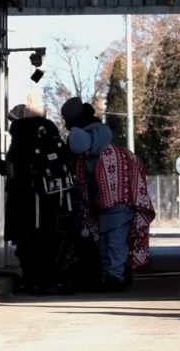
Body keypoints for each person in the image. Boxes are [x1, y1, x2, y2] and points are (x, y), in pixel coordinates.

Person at [0, 91, 76, 295]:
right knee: (50, 241)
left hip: (24, 203)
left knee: (27, 242)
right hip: (55, 201)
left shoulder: (21, 138)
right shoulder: (51, 133)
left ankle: (34, 280)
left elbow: (14, 169)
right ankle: (49, 280)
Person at [67, 122, 154, 292]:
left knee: (116, 243)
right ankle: (111, 275)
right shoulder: (90, 157)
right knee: (105, 243)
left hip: (120, 207)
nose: (83, 156)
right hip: (103, 208)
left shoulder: (111, 154)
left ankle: (116, 276)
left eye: (84, 152)